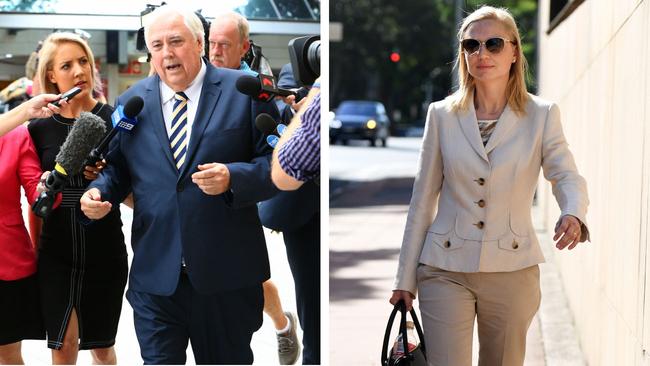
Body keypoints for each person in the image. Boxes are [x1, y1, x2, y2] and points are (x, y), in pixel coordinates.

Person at [389, 6, 589, 366]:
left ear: (514, 52)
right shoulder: (442, 115)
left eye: (494, 44)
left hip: (513, 268)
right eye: (471, 45)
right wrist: (404, 278)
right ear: (463, 54)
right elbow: (422, 201)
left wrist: (572, 212)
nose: (482, 54)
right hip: (444, 267)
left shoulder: (541, 115)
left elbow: (566, 174)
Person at [79, 6, 280, 364]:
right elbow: (117, 168)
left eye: (175, 42)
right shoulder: (131, 103)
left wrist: (234, 176)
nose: (166, 53)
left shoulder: (245, 92)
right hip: (156, 278)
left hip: (226, 277)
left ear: (200, 43)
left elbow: (279, 166)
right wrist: (99, 191)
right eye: (156, 45)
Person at [28, 31, 127, 365]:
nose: (79, 71)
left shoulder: (114, 118)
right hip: (56, 252)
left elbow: (130, 191)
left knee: (102, 347)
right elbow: (34, 200)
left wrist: (105, 181)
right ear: (51, 75)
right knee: (63, 345)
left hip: (105, 249)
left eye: (83, 61)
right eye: (67, 65)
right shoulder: (38, 127)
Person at [208, 11, 301, 364]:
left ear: (244, 47)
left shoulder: (257, 91)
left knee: (253, 283)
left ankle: (281, 324)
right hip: (194, 202)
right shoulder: (195, 80)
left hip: (237, 201)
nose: (215, 52)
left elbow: (273, 159)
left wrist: (235, 176)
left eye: (224, 45)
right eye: (211, 43)